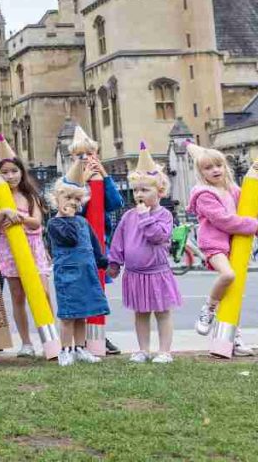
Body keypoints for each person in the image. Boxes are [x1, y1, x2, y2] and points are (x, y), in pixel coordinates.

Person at [186, 143, 258, 356]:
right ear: (201, 173)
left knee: (233, 293)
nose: (215, 170)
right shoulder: (204, 194)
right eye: (208, 168)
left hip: (234, 244)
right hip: (214, 244)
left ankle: (234, 339)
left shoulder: (232, 190)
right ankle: (209, 308)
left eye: (218, 165)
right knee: (228, 275)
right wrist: (254, 227)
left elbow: (255, 206)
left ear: (225, 167)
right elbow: (224, 220)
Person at [107, 143, 182, 363]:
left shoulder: (164, 215)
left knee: (162, 312)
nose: (139, 194)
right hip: (135, 273)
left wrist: (144, 217)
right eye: (136, 190)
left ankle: (165, 351)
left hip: (157, 272)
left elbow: (158, 236)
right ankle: (143, 349)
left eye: (145, 190)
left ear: (159, 192)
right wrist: (114, 262)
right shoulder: (128, 216)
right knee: (140, 312)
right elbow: (118, 240)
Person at [0, 136, 51, 358]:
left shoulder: (30, 195)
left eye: (14, 171)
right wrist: (5, 212)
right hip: (9, 249)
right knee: (17, 296)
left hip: (33, 248)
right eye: (5, 172)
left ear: (21, 172)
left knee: (42, 292)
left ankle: (50, 339)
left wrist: (19, 217)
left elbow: (37, 222)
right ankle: (26, 342)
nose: (10, 176)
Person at [68, 126, 124, 355]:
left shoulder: (100, 179)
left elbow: (116, 203)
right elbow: (72, 210)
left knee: (97, 293)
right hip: (78, 248)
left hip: (98, 247)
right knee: (80, 293)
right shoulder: (71, 183)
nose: (86, 160)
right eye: (80, 155)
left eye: (90, 155)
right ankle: (78, 338)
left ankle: (98, 335)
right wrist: (82, 184)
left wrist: (105, 176)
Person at [47, 176, 110, 367]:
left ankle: (80, 348)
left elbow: (94, 243)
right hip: (68, 274)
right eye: (68, 198)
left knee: (83, 313)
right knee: (68, 315)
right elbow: (70, 239)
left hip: (86, 272)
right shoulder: (55, 224)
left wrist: (101, 260)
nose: (72, 202)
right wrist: (68, 219)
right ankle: (65, 350)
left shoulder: (82, 221)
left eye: (76, 199)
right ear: (56, 199)